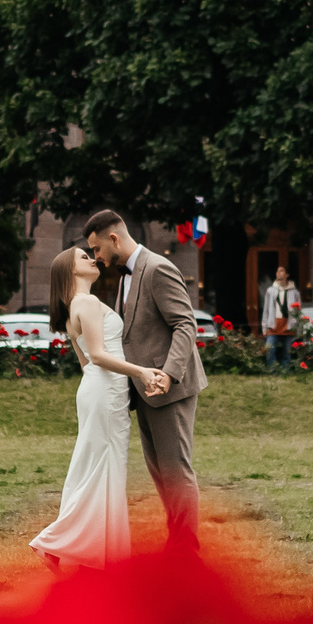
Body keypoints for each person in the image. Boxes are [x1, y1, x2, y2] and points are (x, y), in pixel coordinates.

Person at [29, 245, 171, 571]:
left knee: (94, 467)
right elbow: (96, 356)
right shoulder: (88, 303)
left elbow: (85, 364)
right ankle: (54, 542)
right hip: (104, 392)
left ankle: (89, 552)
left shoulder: (74, 308)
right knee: (102, 469)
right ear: (70, 271)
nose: (92, 259)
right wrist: (141, 372)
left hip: (98, 389)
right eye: (83, 257)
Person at [84, 211, 202, 542]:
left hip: (169, 389)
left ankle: (185, 550)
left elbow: (185, 324)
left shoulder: (158, 268)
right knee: (161, 473)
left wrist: (169, 374)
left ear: (113, 239)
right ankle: (177, 542)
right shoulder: (127, 275)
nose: (96, 257)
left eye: (96, 249)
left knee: (176, 471)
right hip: (144, 390)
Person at [260, 265, 301, 372]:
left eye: (281, 271)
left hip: (288, 325)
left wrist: (298, 327)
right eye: (277, 271)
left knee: (287, 351)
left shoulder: (294, 292)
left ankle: (285, 371)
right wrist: (264, 327)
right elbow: (266, 310)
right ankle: (272, 370)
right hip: (274, 324)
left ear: (287, 275)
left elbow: (298, 311)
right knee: (269, 349)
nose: (278, 273)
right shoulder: (270, 291)